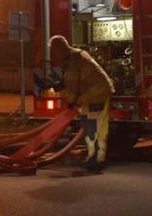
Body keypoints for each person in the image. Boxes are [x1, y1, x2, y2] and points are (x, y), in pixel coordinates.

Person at [49, 35, 115, 171]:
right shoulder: (73, 57)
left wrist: (71, 102)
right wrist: (63, 85)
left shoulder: (73, 59)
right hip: (92, 95)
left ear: (59, 49)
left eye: (54, 51)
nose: (53, 54)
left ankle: (98, 160)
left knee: (93, 127)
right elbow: (74, 80)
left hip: (96, 94)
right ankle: (94, 157)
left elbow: (73, 85)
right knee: (90, 126)